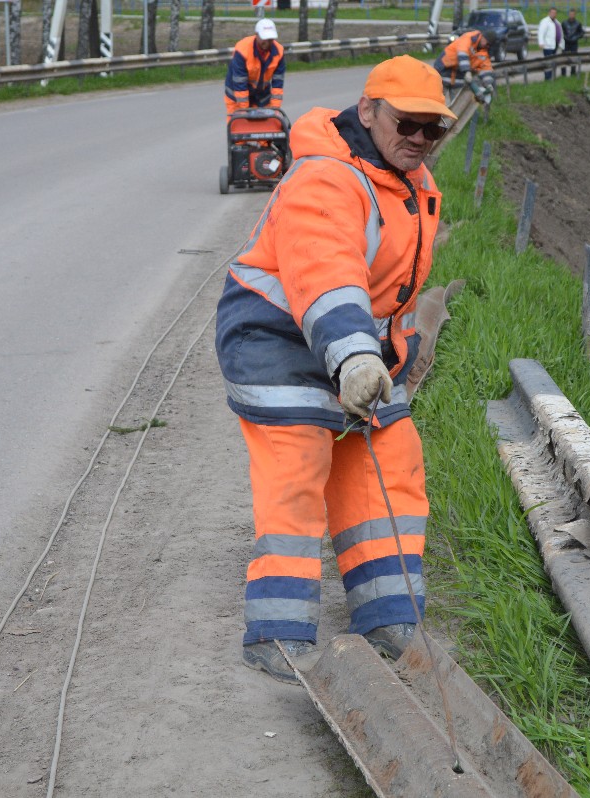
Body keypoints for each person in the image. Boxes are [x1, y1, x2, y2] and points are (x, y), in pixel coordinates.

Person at [215, 55, 454, 684]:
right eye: (409, 123)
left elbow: (384, 292)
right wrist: (351, 356)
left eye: (436, 130)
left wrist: (376, 358)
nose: (421, 139)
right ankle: (279, 634)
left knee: (389, 467)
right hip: (275, 339)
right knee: (297, 474)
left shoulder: (409, 180)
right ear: (369, 110)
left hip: (356, 348)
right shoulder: (326, 178)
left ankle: (388, 618)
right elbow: (327, 273)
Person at [224, 18, 286, 116]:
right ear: (256, 35)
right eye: (264, 39)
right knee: (238, 127)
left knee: (267, 126)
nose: (267, 42)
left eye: (270, 39)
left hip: (261, 95)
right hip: (237, 96)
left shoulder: (279, 52)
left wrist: (275, 110)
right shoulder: (242, 50)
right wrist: (244, 111)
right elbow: (240, 84)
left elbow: (277, 85)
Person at [434, 29, 496, 104]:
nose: (486, 45)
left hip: (459, 74)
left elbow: (485, 68)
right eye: (486, 42)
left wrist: (488, 84)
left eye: (489, 44)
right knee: (437, 101)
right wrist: (467, 71)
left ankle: (455, 115)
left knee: (457, 104)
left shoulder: (484, 52)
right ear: (483, 37)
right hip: (444, 69)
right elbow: (462, 54)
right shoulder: (469, 38)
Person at [537, 6, 562, 81]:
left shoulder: (556, 22)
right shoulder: (545, 21)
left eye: (555, 13)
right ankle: (547, 78)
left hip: (554, 45)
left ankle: (551, 77)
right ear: (549, 13)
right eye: (552, 12)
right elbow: (541, 33)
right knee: (548, 62)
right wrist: (541, 42)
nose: (553, 14)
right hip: (547, 46)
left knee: (553, 62)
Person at [560, 9, 585, 76]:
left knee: (574, 58)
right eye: (570, 14)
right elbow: (561, 32)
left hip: (574, 43)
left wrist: (576, 37)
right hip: (566, 43)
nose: (571, 15)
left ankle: (573, 73)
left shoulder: (578, 23)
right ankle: (563, 74)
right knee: (563, 58)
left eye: (573, 14)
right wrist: (565, 37)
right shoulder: (564, 23)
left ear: (575, 15)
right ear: (568, 14)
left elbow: (582, 32)